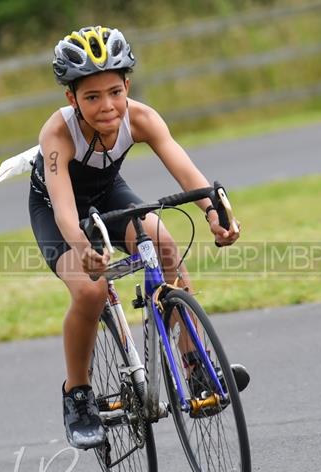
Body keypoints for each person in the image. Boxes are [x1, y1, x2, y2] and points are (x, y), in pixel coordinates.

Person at [27, 26, 248, 449]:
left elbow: (184, 169)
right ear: (71, 99)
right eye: (92, 97)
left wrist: (213, 212)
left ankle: (194, 364)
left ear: (127, 84)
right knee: (91, 292)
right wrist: (82, 248)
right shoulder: (57, 133)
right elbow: (63, 207)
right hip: (60, 210)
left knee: (165, 246)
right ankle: (77, 395)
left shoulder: (141, 117)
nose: (107, 106)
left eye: (114, 91)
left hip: (108, 193)